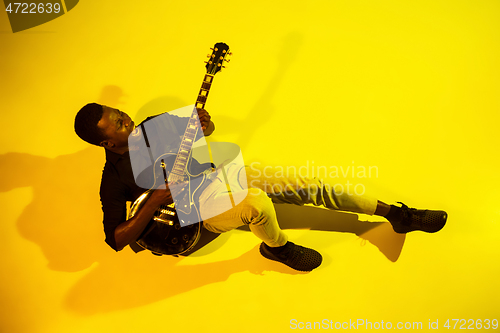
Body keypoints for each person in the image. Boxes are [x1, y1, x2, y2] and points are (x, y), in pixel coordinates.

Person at [74, 103, 448, 272]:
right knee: (258, 205)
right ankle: (277, 248)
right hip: (197, 219)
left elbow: (205, 129)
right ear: (107, 143)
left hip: (214, 177)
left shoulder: (152, 125)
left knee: (305, 183)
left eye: (122, 114)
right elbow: (117, 239)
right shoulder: (114, 180)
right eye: (120, 125)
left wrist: (205, 125)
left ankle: (396, 215)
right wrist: (154, 202)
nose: (130, 122)